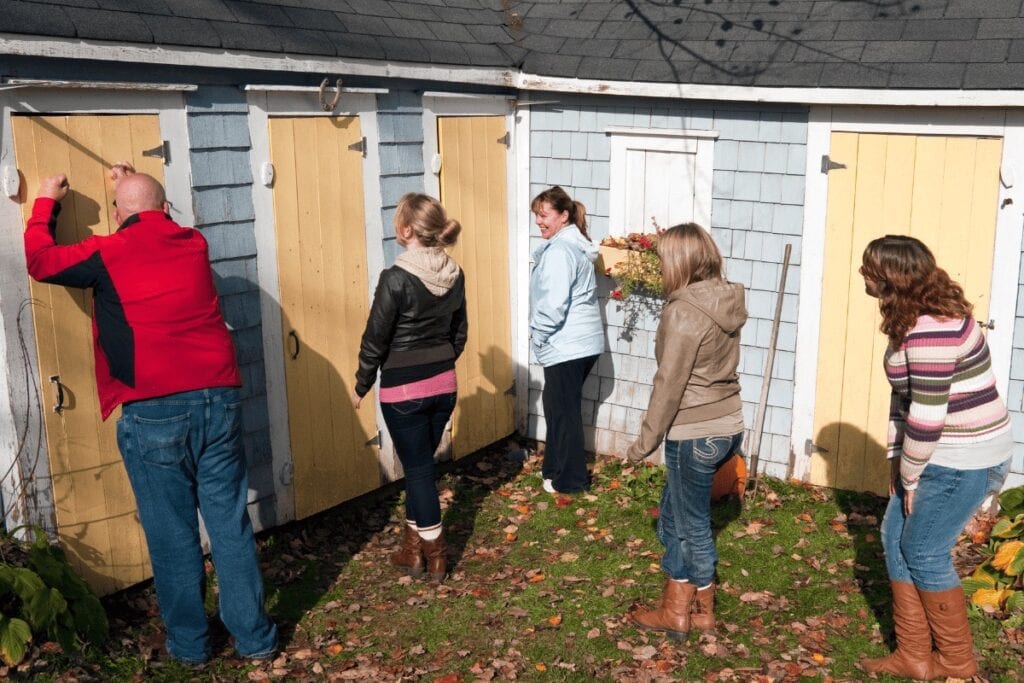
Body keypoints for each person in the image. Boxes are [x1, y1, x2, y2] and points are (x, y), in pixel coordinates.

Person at [23, 164, 276, 665]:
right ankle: (255, 641)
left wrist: (46, 200)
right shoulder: (194, 243)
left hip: (156, 408)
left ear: (118, 215)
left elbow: (41, 262)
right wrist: (134, 179)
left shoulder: (108, 250)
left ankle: (191, 647)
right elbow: (154, 212)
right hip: (218, 398)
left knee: (172, 534)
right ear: (165, 208)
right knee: (229, 525)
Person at [858, 235, 1012, 681]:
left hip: (962, 459)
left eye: (869, 269)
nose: (863, 276)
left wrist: (911, 478)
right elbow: (904, 397)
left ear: (890, 278)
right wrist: (897, 457)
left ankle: (957, 662)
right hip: (939, 452)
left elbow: (927, 418)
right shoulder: (914, 317)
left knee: (924, 551)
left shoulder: (931, 331)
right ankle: (914, 656)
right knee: (895, 538)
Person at [624, 223, 746, 641]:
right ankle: (681, 607)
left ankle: (693, 612)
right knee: (674, 518)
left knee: (691, 526)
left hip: (694, 431)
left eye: (661, 259)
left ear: (678, 261)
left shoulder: (683, 310)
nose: (659, 267)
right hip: (729, 425)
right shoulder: (725, 298)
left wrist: (644, 443)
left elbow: (669, 383)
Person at [353, 192, 467, 582]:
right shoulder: (455, 273)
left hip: (404, 390)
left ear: (406, 231)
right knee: (422, 467)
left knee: (418, 471)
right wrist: (440, 363)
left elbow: (376, 338)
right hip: (444, 384)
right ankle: (411, 550)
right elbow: (459, 333)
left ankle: (436, 553)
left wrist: (362, 383)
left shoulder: (396, 277)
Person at [529, 186, 605, 494]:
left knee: (563, 412)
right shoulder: (572, 245)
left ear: (563, 216)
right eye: (536, 215)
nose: (539, 221)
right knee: (559, 407)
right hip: (580, 343)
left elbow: (553, 304)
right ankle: (554, 469)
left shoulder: (561, 251)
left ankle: (571, 480)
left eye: (544, 215)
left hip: (567, 343)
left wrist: (538, 336)